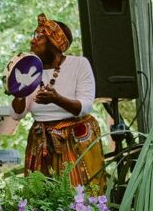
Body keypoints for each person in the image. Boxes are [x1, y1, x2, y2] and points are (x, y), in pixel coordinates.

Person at [14, 14, 105, 193]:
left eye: (39, 36)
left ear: (54, 42)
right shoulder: (30, 69)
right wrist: (18, 92)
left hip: (74, 138)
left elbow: (85, 106)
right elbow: (17, 114)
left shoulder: (79, 64)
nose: (32, 40)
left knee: (79, 196)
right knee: (41, 198)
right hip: (41, 139)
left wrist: (57, 99)